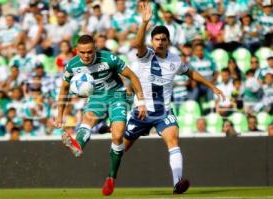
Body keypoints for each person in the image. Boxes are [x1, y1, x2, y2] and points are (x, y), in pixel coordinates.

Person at [123, 2, 225, 195]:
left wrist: (212, 86)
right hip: (141, 112)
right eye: (156, 39)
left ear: (168, 41)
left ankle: (178, 183)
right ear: (152, 41)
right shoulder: (145, 56)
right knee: (121, 149)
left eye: (163, 39)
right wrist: (144, 23)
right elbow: (137, 44)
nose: (160, 42)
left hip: (163, 113)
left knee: (173, 141)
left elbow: (191, 73)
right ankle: (110, 166)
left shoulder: (175, 60)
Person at [54, 34, 146, 196]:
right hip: (96, 97)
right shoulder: (72, 66)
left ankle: (111, 177)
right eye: (82, 52)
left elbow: (132, 76)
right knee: (88, 118)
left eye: (89, 51)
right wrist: (59, 114)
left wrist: (141, 102)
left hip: (117, 95)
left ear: (95, 48)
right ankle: (78, 145)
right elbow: (64, 89)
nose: (86, 55)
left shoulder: (109, 58)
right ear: (77, 51)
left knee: (117, 136)